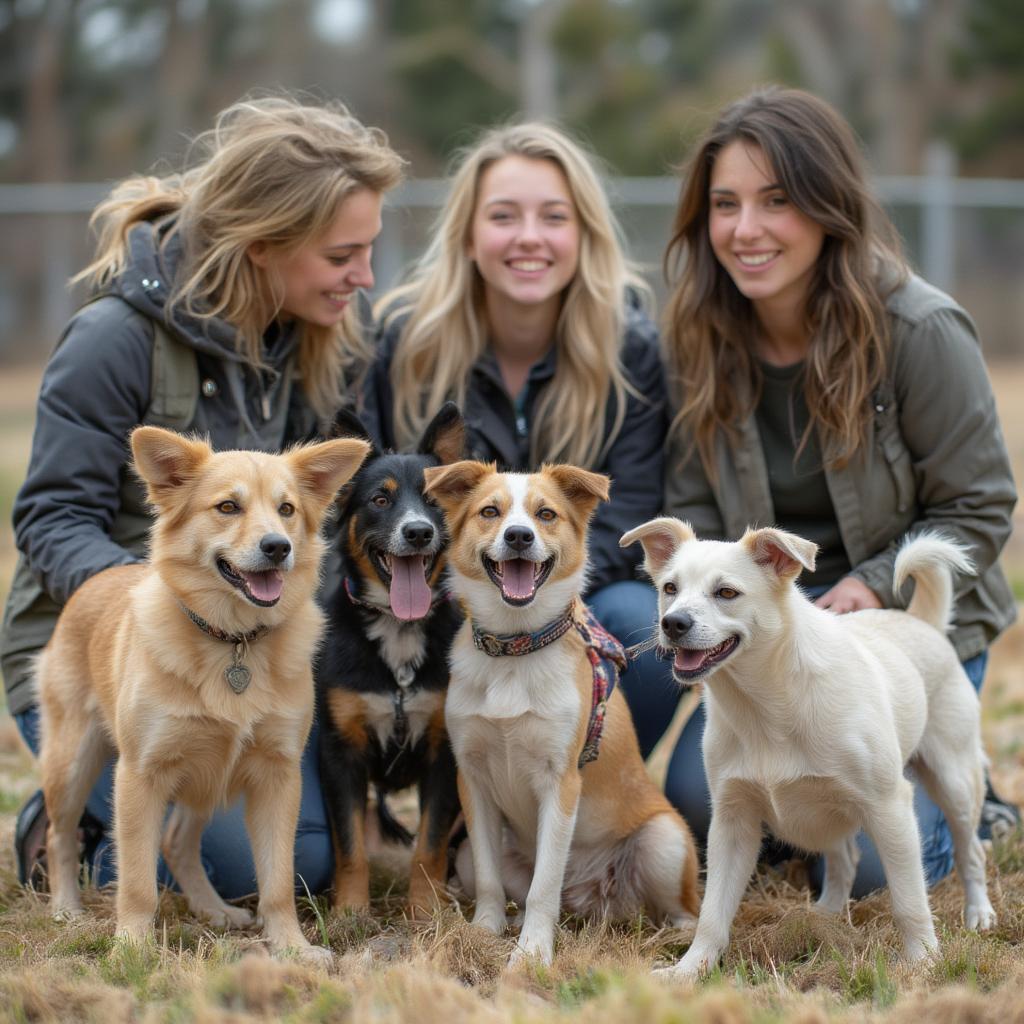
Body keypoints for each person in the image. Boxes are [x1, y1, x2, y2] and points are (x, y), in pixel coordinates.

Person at [2, 94, 405, 898]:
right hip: (104, 645)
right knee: (234, 863)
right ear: (264, 246)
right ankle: (68, 820)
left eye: (368, 253)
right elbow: (50, 517)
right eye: (343, 256)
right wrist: (151, 609)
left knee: (305, 866)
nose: (363, 279)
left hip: (256, 645)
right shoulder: (114, 340)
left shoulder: (318, 342)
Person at [639, 85, 1019, 894]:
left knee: (881, 858)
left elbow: (979, 505)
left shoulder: (920, 330)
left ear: (828, 205)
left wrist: (868, 585)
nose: (746, 230)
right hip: (770, 640)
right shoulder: (698, 340)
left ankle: (965, 794)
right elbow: (695, 508)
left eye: (776, 201)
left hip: (903, 647)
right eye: (725, 204)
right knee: (704, 812)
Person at [363, 122, 667, 636]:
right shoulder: (403, 344)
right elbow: (373, 492)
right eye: (503, 216)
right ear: (467, 236)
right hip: (431, 585)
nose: (530, 237)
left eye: (554, 217)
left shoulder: (631, 350)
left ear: (584, 235)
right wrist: (471, 590)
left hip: (575, 592)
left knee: (638, 619)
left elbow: (627, 516)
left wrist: (531, 599)